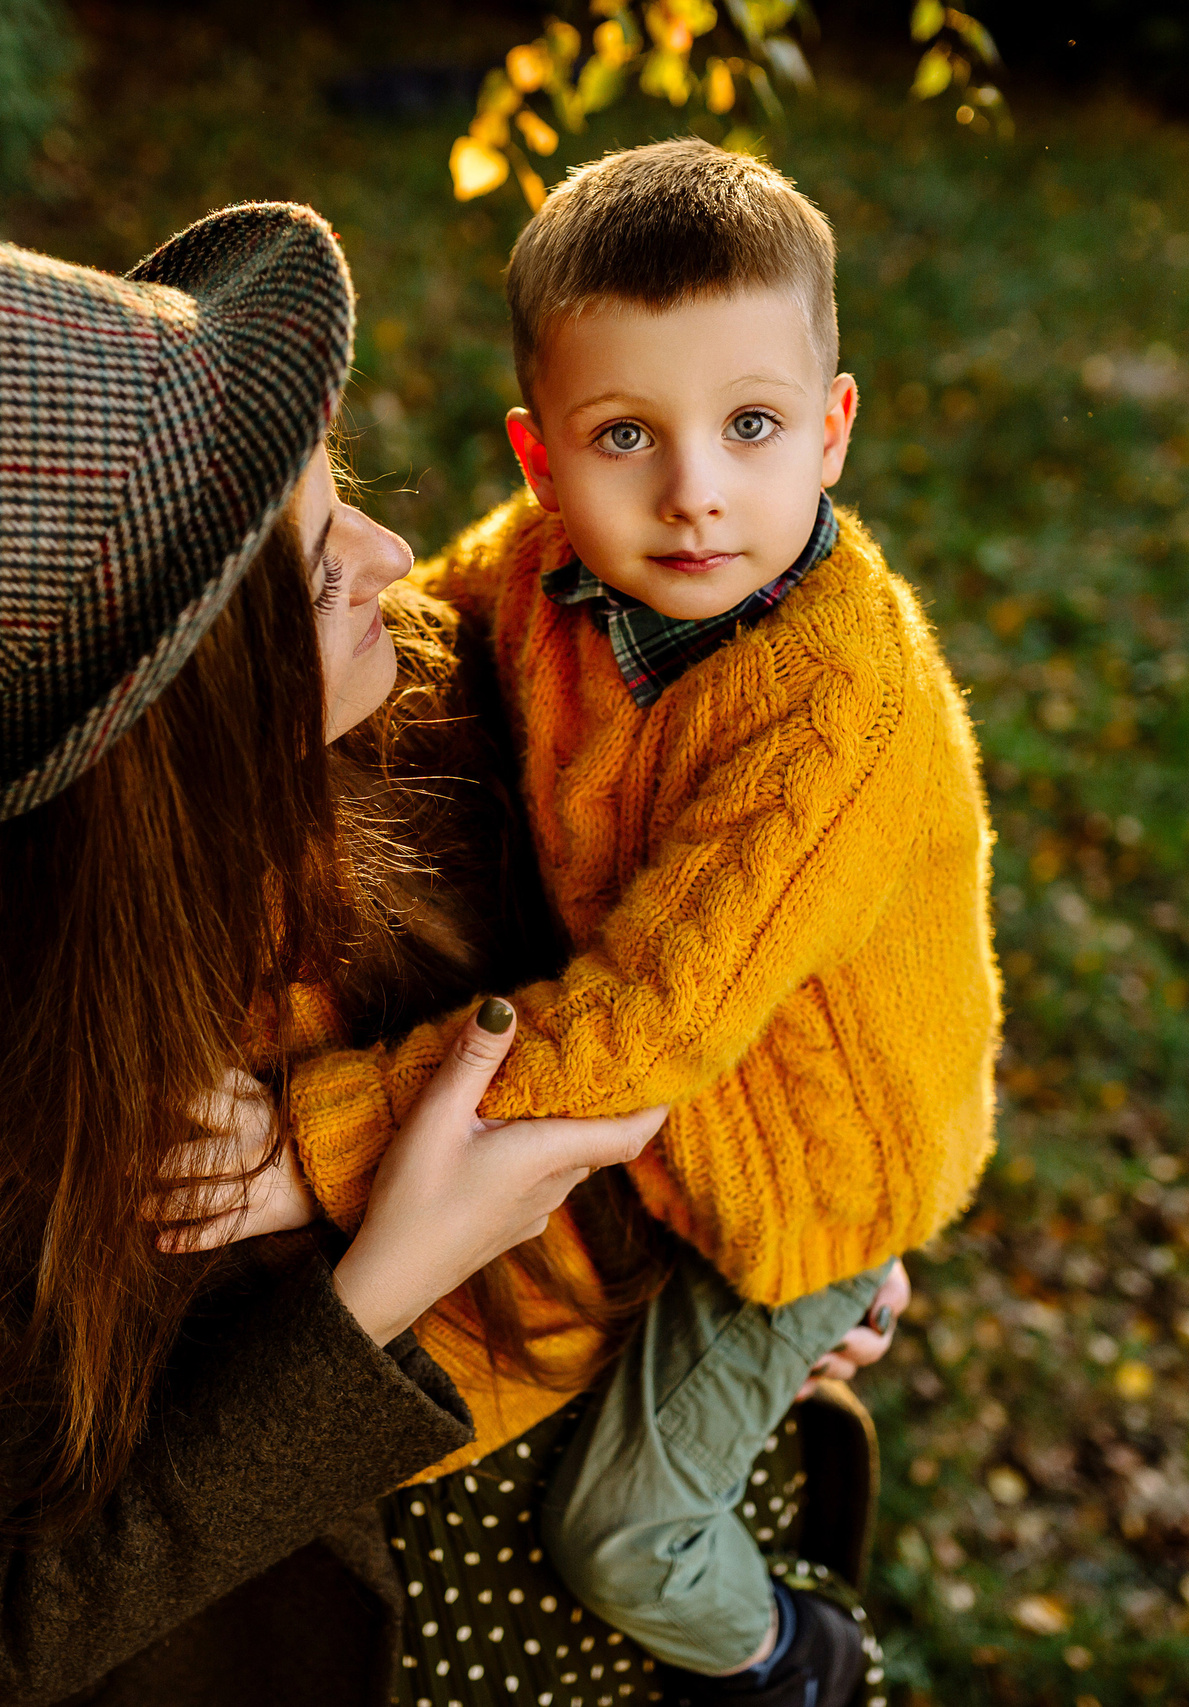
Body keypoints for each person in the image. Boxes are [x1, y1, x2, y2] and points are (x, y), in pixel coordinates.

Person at [0, 203, 900, 1706]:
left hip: (663, 1552)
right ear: (166, 713)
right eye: (308, 565)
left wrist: (801, 1241)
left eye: (330, 487)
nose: (392, 551)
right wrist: (385, 1282)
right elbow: (2, 1621)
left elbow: (749, 939)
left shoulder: (451, 699)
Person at [249, 141, 999, 1704]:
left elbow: (643, 1028)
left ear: (834, 430)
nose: (695, 492)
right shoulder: (548, 571)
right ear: (538, 459)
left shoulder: (826, 718)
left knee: (626, 1529)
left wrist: (308, 1150)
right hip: (692, 1093)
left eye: (751, 425)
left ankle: (795, 1661)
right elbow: (426, 632)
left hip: (804, 1183)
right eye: (624, 437)